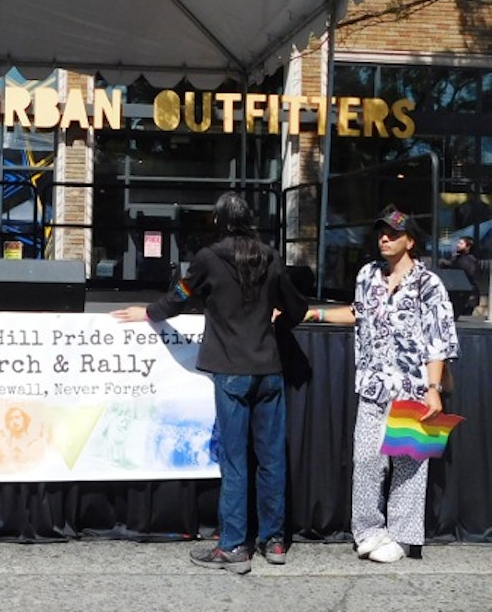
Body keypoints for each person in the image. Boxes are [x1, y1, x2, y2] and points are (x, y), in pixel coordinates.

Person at [111, 191, 307, 575]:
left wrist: (146, 313)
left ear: (218, 221)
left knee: (235, 462)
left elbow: (179, 298)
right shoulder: (270, 257)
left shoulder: (208, 259)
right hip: (270, 370)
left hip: (231, 372)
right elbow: (296, 309)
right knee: (272, 460)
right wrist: (276, 322)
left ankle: (233, 545)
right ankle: (275, 541)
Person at [303, 207, 459, 563]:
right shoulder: (367, 275)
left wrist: (433, 387)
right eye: (381, 232)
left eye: (392, 233)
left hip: (413, 387)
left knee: (408, 463)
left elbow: (439, 340)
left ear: (410, 240)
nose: (384, 238)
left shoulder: (428, 283)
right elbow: (359, 313)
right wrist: (315, 312)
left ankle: (402, 538)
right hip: (373, 385)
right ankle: (369, 530)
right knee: (367, 460)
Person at [439, 235, 480, 316]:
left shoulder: (469, 260)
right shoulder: (457, 258)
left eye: (461, 243)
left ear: (468, 246)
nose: (458, 245)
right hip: (456, 293)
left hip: (464, 295)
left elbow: (469, 276)